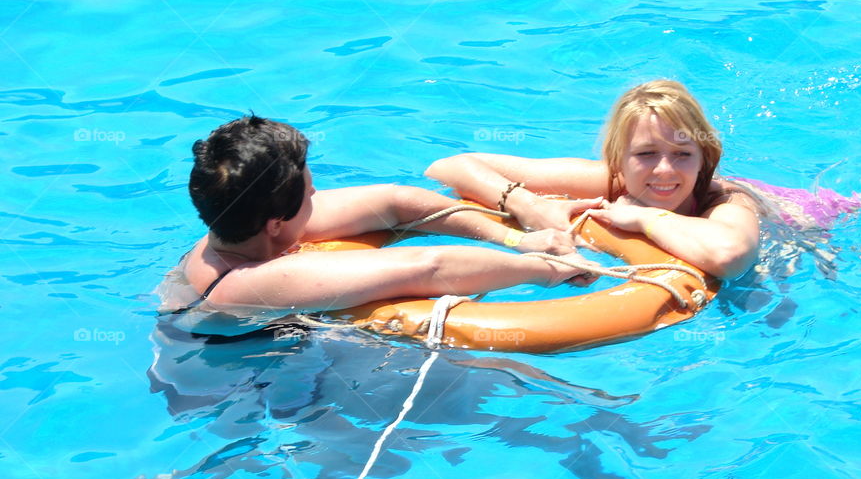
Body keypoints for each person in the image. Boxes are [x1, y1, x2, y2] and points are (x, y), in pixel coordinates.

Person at [159, 115, 597, 335]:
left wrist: (516, 237)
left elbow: (393, 202)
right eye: (310, 196)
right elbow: (428, 268)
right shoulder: (245, 283)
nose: (318, 198)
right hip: (234, 391)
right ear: (276, 223)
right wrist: (546, 269)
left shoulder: (238, 225)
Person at [427, 80, 763, 279]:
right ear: (618, 159)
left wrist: (644, 216)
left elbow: (729, 257)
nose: (664, 170)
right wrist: (526, 204)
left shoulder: (726, 199)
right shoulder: (608, 180)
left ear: (705, 158)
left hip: (796, 221)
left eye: (682, 154)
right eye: (646, 154)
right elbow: (448, 167)